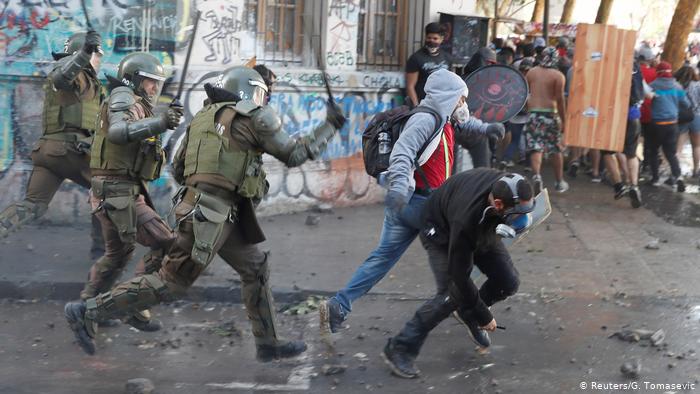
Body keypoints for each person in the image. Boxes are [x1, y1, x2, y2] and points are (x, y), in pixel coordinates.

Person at [65, 66, 348, 360]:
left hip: (210, 211)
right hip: (213, 215)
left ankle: (268, 343)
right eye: (262, 93)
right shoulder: (255, 116)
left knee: (255, 269)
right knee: (171, 282)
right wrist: (330, 125)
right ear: (252, 91)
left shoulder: (203, 118)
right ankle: (87, 311)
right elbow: (294, 154)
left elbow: (178, 168)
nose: (264, 99)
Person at [319, 69, 505, 334]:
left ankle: (339, 305)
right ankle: (464, 313)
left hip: (411, 203)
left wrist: (487, 128)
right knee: (461, 254)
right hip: (422, 204)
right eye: (461, 99)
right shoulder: (426, 120)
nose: (463, 105)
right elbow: (403, 153)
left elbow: (466, 123)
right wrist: (398, 188)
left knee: (383, 258)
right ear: (448, 96)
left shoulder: (443, 117)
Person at [381, 169, 534, 378]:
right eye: (517, 215)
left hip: (485, 226)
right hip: (441, 232)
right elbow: (460, 277)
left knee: (508, 281)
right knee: (450, 295)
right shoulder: (465, 221)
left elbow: (516, 207)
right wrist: (484, 314)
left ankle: (467, 313)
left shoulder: (509, 183)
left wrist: (518, 216)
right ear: (498, 204)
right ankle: (400, 348)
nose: (521, 220)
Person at [74, 52, 181, 334]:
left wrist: (161, 126)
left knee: (117, 255)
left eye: (157, 83)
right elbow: (119, 132)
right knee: (165, 242)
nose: (154, 88)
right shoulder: (124, 98)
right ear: (133, 80)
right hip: (118, 192)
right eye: (149, 82)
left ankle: (85, 309)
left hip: (116, 190)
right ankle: (133, 306)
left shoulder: (134, 103)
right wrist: (160, 122)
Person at [0, 31, 105, 259]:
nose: (100, 60)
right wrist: (85, 54)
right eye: (97, 55)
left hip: (48, 153)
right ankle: (101, 253)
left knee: (33, 205)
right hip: (69, 151)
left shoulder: (90, 82)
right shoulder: (72, 72)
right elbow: (62, 78)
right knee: (106, 192)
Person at [599, 61, 647, 208]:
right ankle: (634, 185)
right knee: (631, 153)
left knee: (607, 151)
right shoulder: (635, 66)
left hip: (612, 114)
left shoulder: (609, 64)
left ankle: (619, 185)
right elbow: (643, 91)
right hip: (633, 115)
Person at [524, 47, 568, 193]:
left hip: (533, 114)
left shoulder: (531, 72)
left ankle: (537, 176)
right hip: (550, 114)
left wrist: (527, 109)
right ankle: (559, 182)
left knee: (536, 147)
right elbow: (560, 100)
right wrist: (564, 121)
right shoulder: (558, 76)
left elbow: (525, 93)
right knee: (556, 148)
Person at [647, 61, 691, 191]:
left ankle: (655, 179)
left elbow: (646, 99)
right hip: (672, 124)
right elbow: (686, 104)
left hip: (656, 124)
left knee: (654, 151)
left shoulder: (653, 86)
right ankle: (678, 177)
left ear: (658, 73)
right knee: (671, 153)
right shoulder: (677, 87)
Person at [405, 22, 452, 107]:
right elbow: (410, 87)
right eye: (429, 38)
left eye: (435, 38)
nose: (431, 41)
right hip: (423, 105)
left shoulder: (447, 58)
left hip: (442, 104)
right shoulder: (416, 58)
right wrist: (416, 107)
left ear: (441, 39)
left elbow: (450, 83)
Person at [674, 65, 700, 179]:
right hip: (697, 116)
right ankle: (695, 170)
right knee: (697, 146)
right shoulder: (698, 85)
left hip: (682, 118)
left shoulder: (677, 86)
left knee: (678, 148)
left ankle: (675, 174)